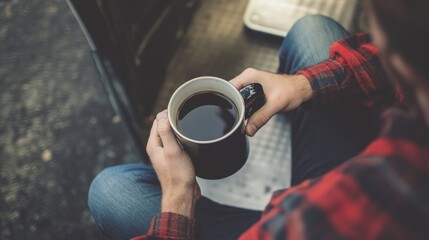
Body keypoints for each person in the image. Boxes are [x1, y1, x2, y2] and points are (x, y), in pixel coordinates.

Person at [88, 0, 429, 239]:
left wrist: (179, 195)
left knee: (110, 192)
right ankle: (299, 107)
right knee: (312, 30)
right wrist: (303, 84)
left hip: (308, 216)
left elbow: (299, 218)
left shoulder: (330, 214)